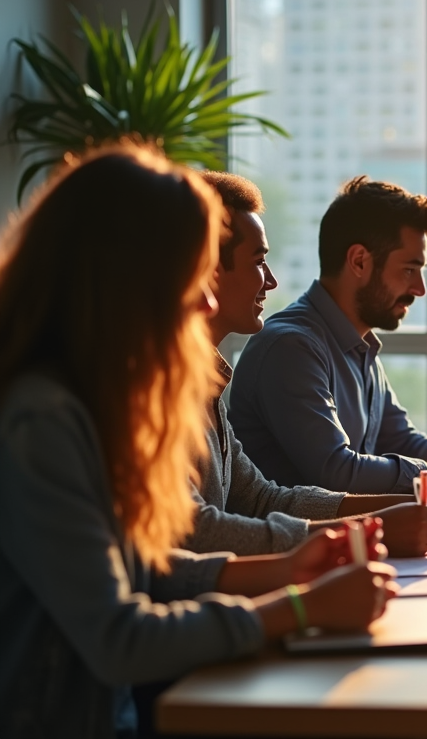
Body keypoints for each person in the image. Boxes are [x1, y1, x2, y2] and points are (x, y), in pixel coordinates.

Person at [0, 146, 396, 738]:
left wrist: (289, 566)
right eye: (194, 276)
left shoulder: (95, 400)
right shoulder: (42, 421)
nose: (208, 301)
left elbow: (148, 572)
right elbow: (118, 637)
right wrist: (295, 607)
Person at [228, 176, 427, 495]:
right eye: (409, 270)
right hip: (303, 542)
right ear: (359, 261)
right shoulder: (291, 348)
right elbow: (336, 472)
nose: (419, 289)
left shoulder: (358, 345)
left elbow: (402, 441)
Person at [187, 170, 427, 557]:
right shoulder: (287, 346)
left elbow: (260, 499)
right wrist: (364, 532)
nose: (271, 281)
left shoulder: (206, 382)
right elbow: (197, 534)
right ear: (206, 273)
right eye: (259, 262)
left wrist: (385, 515)